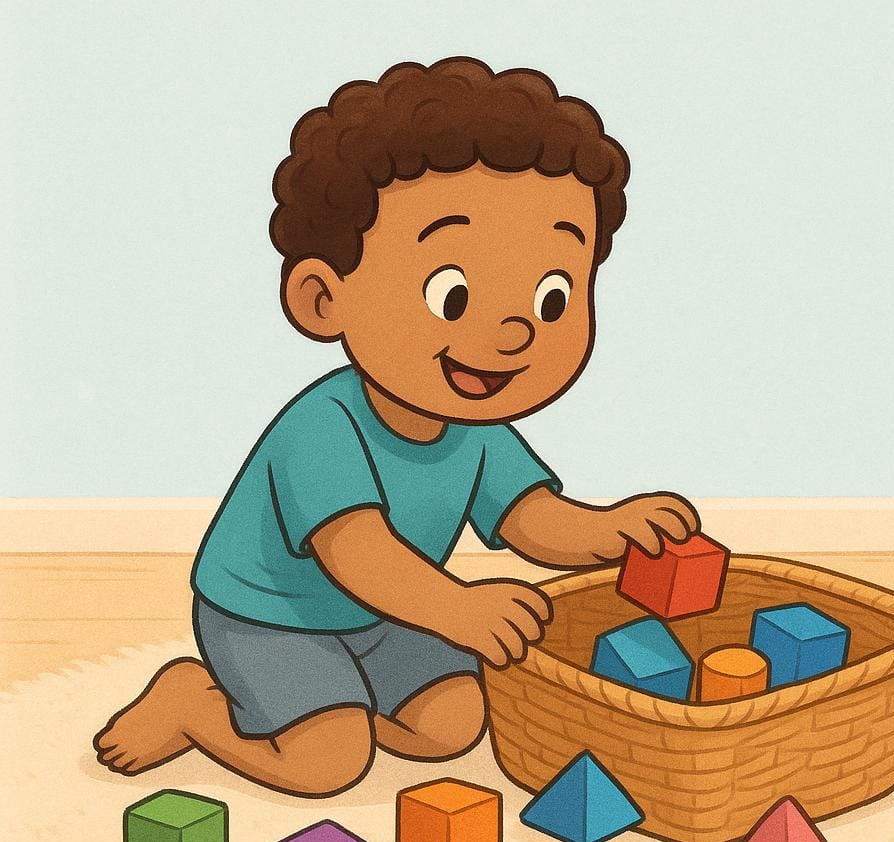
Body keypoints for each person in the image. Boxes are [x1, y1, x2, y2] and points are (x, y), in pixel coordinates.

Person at [93, 57, 700, 796]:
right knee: (329, 765)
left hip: (387, 615)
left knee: (453, 723)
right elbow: (359, 552)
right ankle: (198, 707)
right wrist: (458, 608)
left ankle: (332, 702)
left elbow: (530, 518)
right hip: (271, 617)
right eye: (452, 293)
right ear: (324, 300)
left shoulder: (473, 428)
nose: (514, 331)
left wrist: (611, 531)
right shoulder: (322, 428)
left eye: (551, 297)